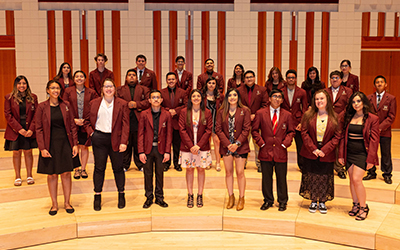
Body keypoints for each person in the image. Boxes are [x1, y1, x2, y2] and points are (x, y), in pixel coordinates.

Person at [84, 78, 130, 211]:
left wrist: (124, 142)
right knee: (99, 168)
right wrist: (92, 134)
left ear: (115, 89)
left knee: (118, 168)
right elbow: (87, 121)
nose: (108, 89)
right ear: (102, 89)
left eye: (111, 86)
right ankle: (97, 196)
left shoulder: (122, 103)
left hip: (116, 139)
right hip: (99, 138)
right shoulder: (94, 103)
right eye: (106, 86)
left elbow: (126, 125)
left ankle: (121, 194)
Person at [36, 80, 80, 216]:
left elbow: (72, 126)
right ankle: (54, 204)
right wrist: (42, 148)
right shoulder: (41, 107)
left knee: (66, 173)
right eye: (52, 88)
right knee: (52, 175)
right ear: (47, 90)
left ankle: (67, 202)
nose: (55, 90)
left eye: (57, 88)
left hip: (65, 144)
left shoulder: (66, 105)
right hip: (50, 145)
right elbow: (38, 129)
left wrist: (75, 144)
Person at [339, 92, 379, 220]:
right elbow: (342, 138)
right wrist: (341, 155)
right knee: (351, 180)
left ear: (364, 102)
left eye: (358, 101)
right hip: (349, 152)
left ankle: (363, 207)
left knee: (357, 179)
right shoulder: (348, 117)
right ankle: (355, 204)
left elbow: (374, 141)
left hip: (362, 153)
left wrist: (371, 159)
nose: (356, 104)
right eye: (354, 102)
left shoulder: (372, 118)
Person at [252, 89, 295, 212]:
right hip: (266, 150)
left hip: (280, 151)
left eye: (279, 97)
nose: (277, 99)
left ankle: (282, 201)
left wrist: (285, 144)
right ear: (269, 99)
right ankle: (268, 200)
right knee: (266, 178)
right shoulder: (260, 113)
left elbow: (291, 131)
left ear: (282, 100)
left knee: (281, 178)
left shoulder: (287, 115)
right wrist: (261, 143)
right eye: (274, 96)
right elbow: (254, 130)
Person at [299, 89, 341, 214]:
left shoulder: (335, 117)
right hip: (311, 150)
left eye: (322, 98)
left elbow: (337, 136)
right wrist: (313, 149)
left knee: (324, 176)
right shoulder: (308, 115)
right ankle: (313, 200)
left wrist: (325, 150)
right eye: (317, 99)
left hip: (326, 151)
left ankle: (322, 201)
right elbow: (304, 133)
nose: (319, 101)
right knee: (312, 175)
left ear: (327, 100)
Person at [216, 88, 251, 211]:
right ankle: (231, 197)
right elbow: (218, 129)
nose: (232, 97)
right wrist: (227, 144)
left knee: (240, 172)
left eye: (234, 95)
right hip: (226, 147)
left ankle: (241, 198)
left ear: (238, 97)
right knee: (228, 172)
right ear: (226, 98)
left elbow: (246, 129)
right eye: (229, 95)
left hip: (240, 147)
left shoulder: (245, 110)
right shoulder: (221, 112)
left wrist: (237, 144)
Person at [138, 90, 172, 209]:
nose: (156, 99)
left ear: (162, 100)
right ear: (149, 100)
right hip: (147, 149)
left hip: (161, 149)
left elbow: (169, 135)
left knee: (159, 174)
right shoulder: (144, 114)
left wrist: (168, 151)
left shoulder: (167, 114)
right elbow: (140, 134)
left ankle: (159, 198)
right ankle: (148, 197)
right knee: (148, 174)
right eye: (153, 97)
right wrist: (141, 151)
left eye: (158, 97)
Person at [179, 89, 213, 208]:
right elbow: (182, 130)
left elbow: (209, 130)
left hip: (202, 147)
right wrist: (191, 145)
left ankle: (199, 195)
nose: (196, 98)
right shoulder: (184, 112)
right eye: (194, 96)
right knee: (189, 170)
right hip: (187, 147)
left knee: (201, 170)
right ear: (190, 99)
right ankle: (190, 195)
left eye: (198, 96)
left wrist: (199, 145)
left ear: (201, 98)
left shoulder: (207, 112)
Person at [63, 70, 98, 180]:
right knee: (74, 146)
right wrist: (73, 120)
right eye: (77, 76)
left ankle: (83, 169)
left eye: (81, 76)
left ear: (85, 78)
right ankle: (76, 169)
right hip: (72, 123)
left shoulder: (91, 92)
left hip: (85, 123)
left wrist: (86, 120)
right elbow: (64, 107)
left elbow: (95, 107)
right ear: (74, 78)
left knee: (84, 146)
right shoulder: (68, 91)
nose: (79, 78)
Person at [4, 75, 38, 186]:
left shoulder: (33, 97)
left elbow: (36, 115)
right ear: (16, 85)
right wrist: (19, 129)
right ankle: (17, 176)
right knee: (16, 153)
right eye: (19, 83)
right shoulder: (9, 97)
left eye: (24, 83)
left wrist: (31, 129)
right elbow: (8, 115)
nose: (21, 86)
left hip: (29, 129)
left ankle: (29, 175)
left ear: (27, 85)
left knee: (28, 152)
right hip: (15, 129)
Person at [365, 76, 396, 184]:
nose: (379, 84)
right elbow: (367, 114)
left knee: (385, 153)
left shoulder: (391, 98)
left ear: (385, 84)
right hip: (371, 131)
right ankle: (371, 172)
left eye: (381, 82)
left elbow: (391, 116)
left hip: (385, 131)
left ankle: (387, 174)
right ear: (374, 85)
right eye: (377, 82)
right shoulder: (369, 98)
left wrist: (379, 127)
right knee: (371, 152)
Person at [117, 69, 150, 171]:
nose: (131, 77)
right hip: (124, 120)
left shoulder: (144, 89)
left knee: (137, 143)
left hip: (138, 119)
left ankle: (140, 164)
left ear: (137, 78)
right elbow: (117, 102)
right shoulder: (119, 89)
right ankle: (124, 165)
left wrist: (137, 104)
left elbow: (148, 102)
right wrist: (127, 104)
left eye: (133, 75)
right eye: (129, 75)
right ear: (126, 78)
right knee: (126, 143)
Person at [237, 70, 268, 172]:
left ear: (254, 78)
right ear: (244, 79)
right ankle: (242, 163)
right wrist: (246, 115)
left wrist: (256, 115)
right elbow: (237, 105)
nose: (249, 79)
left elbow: (265, 105)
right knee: (243, 143)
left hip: (257, 122)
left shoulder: (262, 90)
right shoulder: (239, 90)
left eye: (251, 77)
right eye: (247, 77)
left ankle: (259, 164)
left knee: (258, 143)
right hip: (243, 121)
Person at [325, 70, 353, 179]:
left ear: (341, 79)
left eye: (337, 77)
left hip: (342, 121)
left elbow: (349, 105)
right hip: (327, 120)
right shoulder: (325, 91)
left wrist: (340, 116)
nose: (334, 79)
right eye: (332, 77)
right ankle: (328, 167)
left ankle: (340, 168)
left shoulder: (348, 91)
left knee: (340, 144)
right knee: (328, 143)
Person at [281, 70, 307, 171]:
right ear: (286, 79)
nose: (291, 79)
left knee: (300, 146)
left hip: (298, 123)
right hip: (284, 122)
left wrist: (302, 122)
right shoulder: (281, 91)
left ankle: (302, 166)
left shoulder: (302, 92)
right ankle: (280, 164)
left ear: (295, 79)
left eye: (293, 77)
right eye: (289, 77)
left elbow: (304, 109)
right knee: (281, 144)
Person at [160, 72, 187, 172]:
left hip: (177, 122)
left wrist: (176, 111)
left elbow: (186, 105)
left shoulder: (183, 92)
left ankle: (177, 164)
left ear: (176, 80)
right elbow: (159, 105)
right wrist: (168, 111)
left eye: (173, 79)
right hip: (165, 122)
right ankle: (166, 164)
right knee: (166, 144)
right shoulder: (161, 92)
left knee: (177, 145)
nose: (171, 81)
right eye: (169, 79)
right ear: (166, 81)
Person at [203, 77, 224, 171]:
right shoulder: (202, 96)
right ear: (206, 84)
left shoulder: (220, 96)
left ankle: (218, 163)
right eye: (209, 83)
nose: (211, 84)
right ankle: (208, 162)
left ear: (216, 85)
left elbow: (223, 109)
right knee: (206, 142)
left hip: (216, 122)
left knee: (217, 142)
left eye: (213, 83)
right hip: (205, 122)